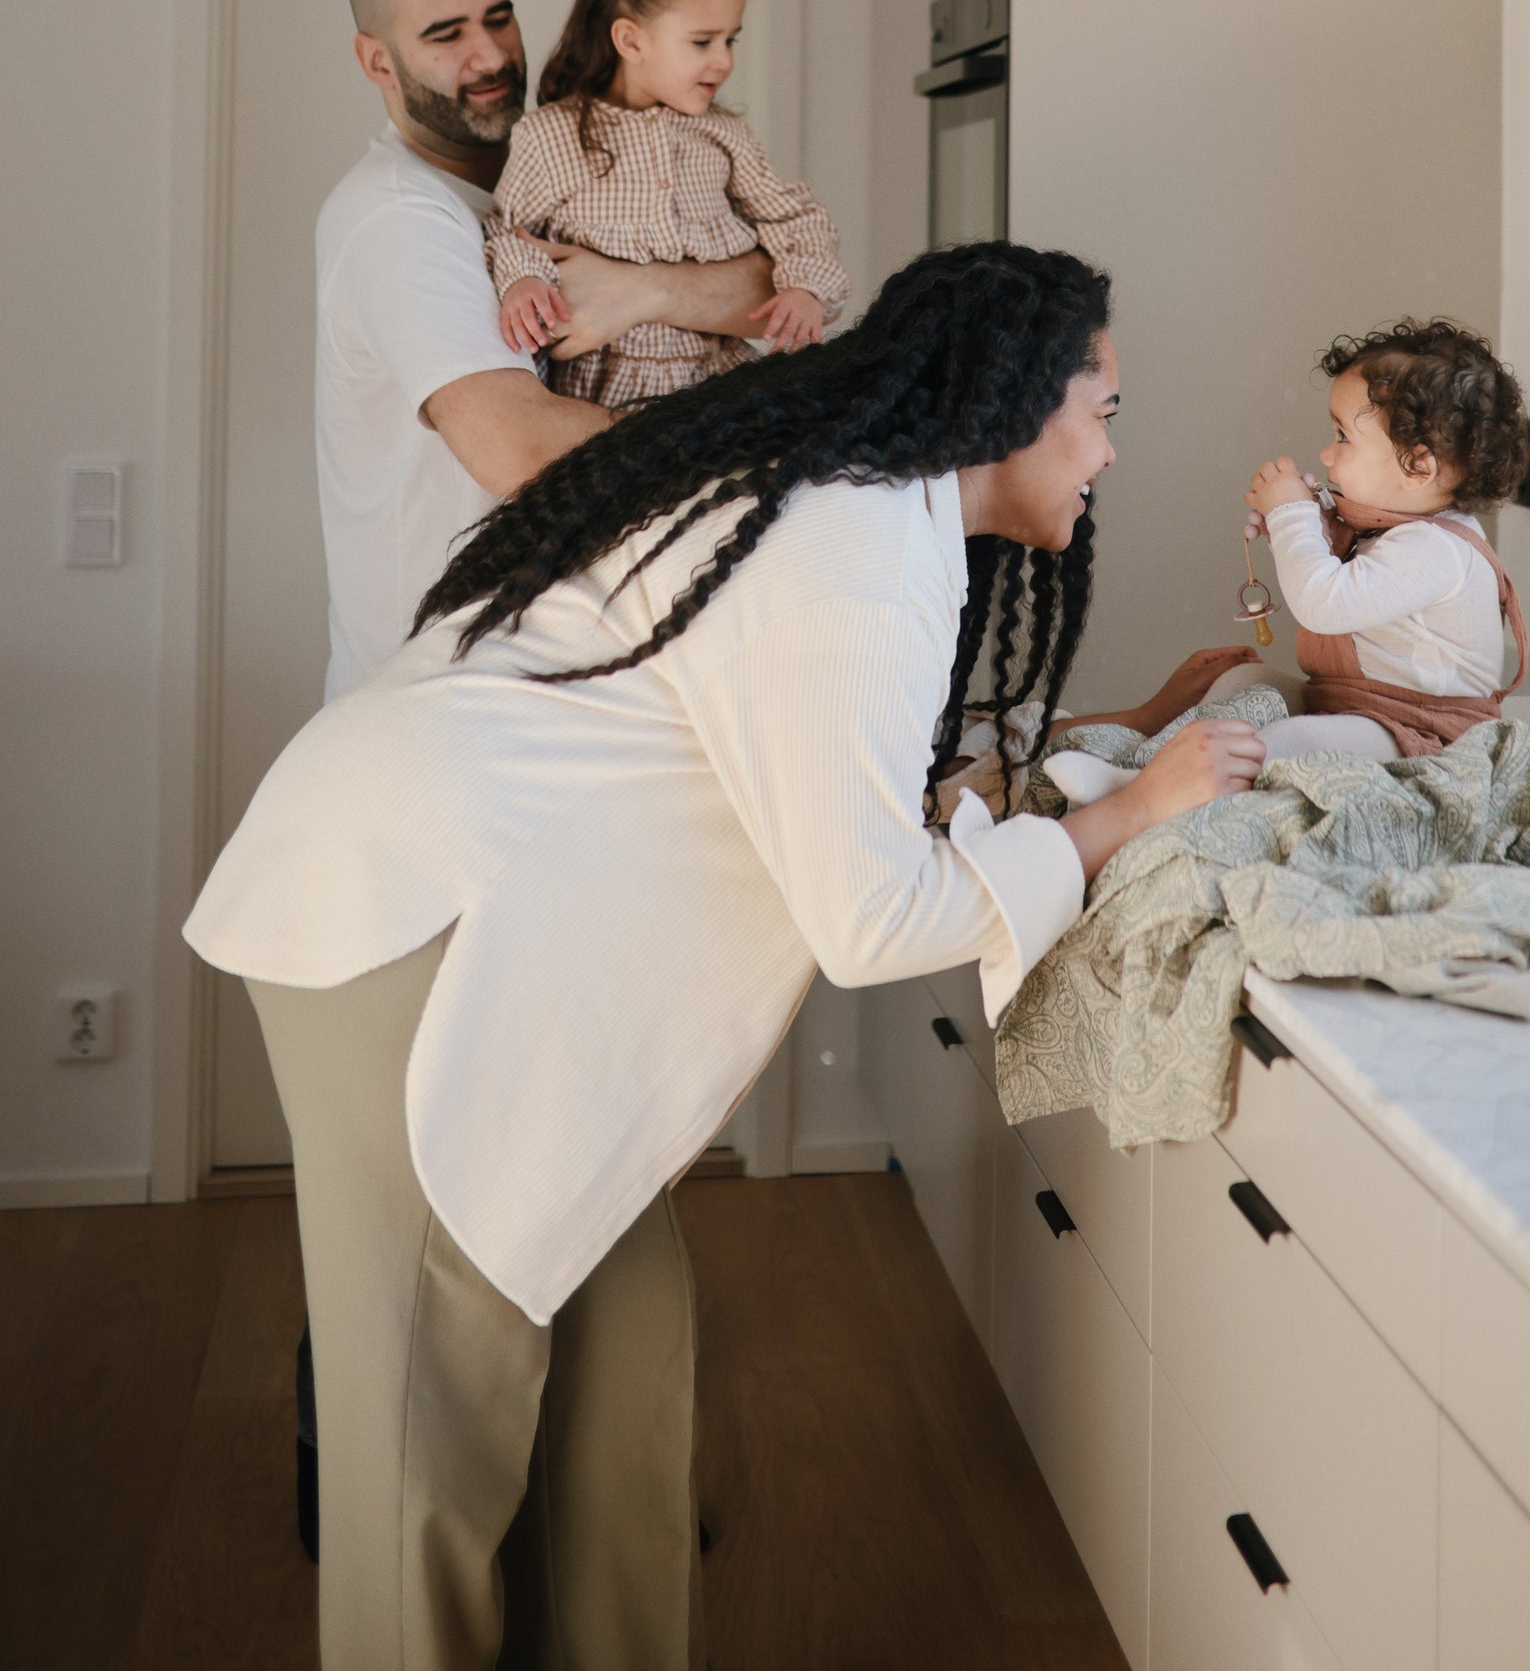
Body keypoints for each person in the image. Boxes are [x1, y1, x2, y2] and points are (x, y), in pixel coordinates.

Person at [185, 242, 1266, 1670]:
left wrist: (1095, 770)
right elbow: (870, 917)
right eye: (1105, 410)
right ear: (1011, 399)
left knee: (627, 1362)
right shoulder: (863, 541)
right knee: (422, 1440)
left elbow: (834, 787)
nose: (1111, 456)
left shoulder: (864, 518)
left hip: (485, 925)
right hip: (414, 924)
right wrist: (1131, 814)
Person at [319, 0, 778, 699]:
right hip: (438, 700)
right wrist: (765, 448)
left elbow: (772, 288)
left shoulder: (569, 162)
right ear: (377, 61)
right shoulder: (400, 217)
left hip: (554, 673)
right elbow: (517, 446)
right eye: (446, 34)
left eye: (498, 18)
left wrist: (645, 291)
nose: (492, 56)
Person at [486, 0, 848, 407]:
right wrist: (522, 280)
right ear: (630, 40)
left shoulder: (725, 137)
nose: (723, 61)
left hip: (716, 383)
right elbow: (508, 231)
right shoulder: (552, 136)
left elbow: (796, 216)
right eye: (702, 42)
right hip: (599, 395)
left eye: (730, 40)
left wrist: (806, 289)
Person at [1243, 317, 1530, 756]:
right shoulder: (1391, 531)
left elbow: (1324, 603)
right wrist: (1306, 529)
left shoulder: (1437, 549)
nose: (1326, 453)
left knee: (1292, 743)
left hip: (1423, 730)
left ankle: (1201, 785)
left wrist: (1291, 515)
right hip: (1357, 709)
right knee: (1244, 680)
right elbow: (1353, 585)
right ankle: (1176, 757)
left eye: (1343, 436)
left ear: (1417, 467)